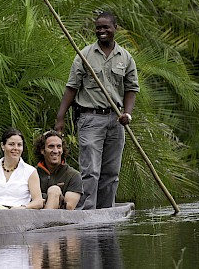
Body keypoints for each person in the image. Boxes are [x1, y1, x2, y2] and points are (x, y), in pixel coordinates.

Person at [55, 11, 139, 209]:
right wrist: (60, 118)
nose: (101, 31)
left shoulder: (125, 58)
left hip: (117, 120)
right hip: (90, 120)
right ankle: (87, 213)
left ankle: (105, 213)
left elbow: (131, 89)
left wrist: (127, 114)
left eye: (106, 27)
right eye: (98, 27)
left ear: (114, 29)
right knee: (91, 170)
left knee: (111, 172)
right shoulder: (84, 55)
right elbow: (71, 87)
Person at [34, 130, 83, 210]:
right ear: (42, 150)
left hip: (62, 220)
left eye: (59, 146)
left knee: (54, 190)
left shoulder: (73, 175)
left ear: (62, 150)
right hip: (32, 216)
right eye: (51, 146)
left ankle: (46, 222)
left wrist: (51, 197)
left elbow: (69, 207)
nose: (56, 151)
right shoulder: (31, 173)